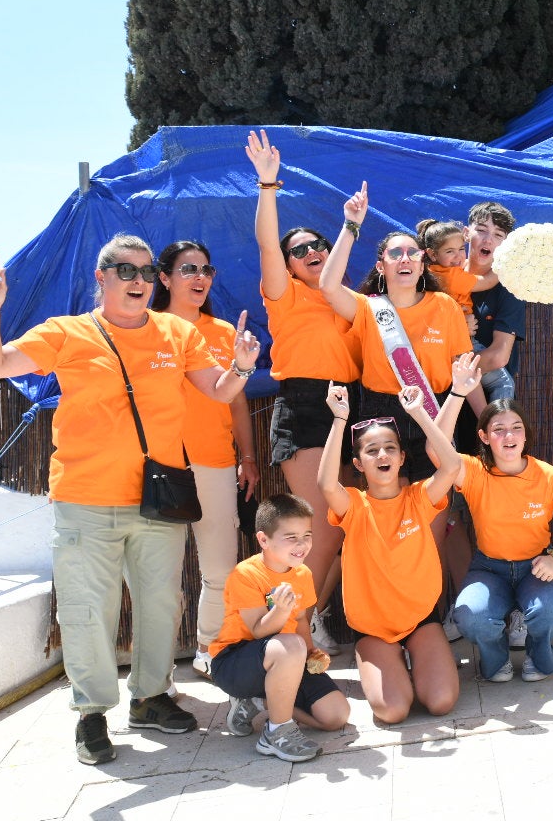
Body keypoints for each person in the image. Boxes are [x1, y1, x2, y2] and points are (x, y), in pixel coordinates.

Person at [0, 237, 260, 764]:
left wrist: (240, 367)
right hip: (86, 499)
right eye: (123, 269)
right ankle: (91, 713)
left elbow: (218, 392)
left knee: (160, 603)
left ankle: (150, 698)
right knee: (88, 612)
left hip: (157, 498)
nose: (137, 279)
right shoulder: (68, 332)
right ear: (100, 277)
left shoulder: (176, 332)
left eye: (147, 271)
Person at [319, 183, 474, 627]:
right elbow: (329, 285)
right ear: (382, 266)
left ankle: (430, 614)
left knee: (434, 520)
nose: (405, 259)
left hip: (436, 415)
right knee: (382, 519)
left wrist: (480, 416)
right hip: (379, 416)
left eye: (412, 253)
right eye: (395, 254)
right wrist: (351, 225)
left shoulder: (445, 306)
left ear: (422, 262)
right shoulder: (370, 309)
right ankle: (384, 612)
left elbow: (461, 372)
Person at [248, 130, 363, 655]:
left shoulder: (347, 300)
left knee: (346, 529)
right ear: (290, 264)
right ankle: (297, 623)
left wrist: (350, 228)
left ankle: (308, 614)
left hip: (353, 408)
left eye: (318, 245)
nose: (312, 252)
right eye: (301, 250)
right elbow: (267, 244)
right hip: (305, 406)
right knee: (315, 529)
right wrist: (268, 184)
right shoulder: (285, 295)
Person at [317, 377, 467, 725]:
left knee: (442, 702)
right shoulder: (353, 505)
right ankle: (389, 662)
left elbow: (451, 466)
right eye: (371, 450)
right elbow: (326, 483)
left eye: (389, 448)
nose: (381, 454)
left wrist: (419, 414)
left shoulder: (419, 497)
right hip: (373, 628)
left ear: (401, 457)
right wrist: (339, 418)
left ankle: (417, 658)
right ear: (359, 464)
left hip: (420, 619)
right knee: (393, 711)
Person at [150, 239, 260, 679]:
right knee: (158, 576)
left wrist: (247, 457)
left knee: (220, 568)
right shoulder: (145, 328)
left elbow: (236, 404)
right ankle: (155, 673)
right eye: (188, 268)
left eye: (207, 270)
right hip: (159, 467)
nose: (200, 278)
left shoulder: (224, 332)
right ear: (164, 278)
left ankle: (208, 648)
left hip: (214, 463)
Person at [447, 399, 553, 683]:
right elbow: (437, 450)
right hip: (489, 568)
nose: (509, 436)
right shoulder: (474, 471)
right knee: (471, 617)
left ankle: (539, 654)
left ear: (526, 435)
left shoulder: (550, 477)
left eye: (516, 428)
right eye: (499, 429)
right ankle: (495, 660)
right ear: (484, 436)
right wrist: (458, 394)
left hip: (536, 565)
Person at [208, 494, 350, 762]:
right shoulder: (245, 574)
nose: (302, 544)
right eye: (291, 537)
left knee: (336, 715)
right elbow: (259, 631)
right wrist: (281, 611)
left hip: (286, 655)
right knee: (289, 644)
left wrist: (310, 655)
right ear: (264, 540)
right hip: (235, 664)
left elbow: (301, 622)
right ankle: (276, 732)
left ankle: (260, 703)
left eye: (307, 535)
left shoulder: (302, 574)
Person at [465, 201, 526, 408]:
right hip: (442, 397)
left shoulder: (509, 287)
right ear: (466, 233)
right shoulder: (442, 278)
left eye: (498, 235)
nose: (488, 239)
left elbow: (498, 357)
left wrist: (448, 365)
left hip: (493, 401)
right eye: (481, 230)